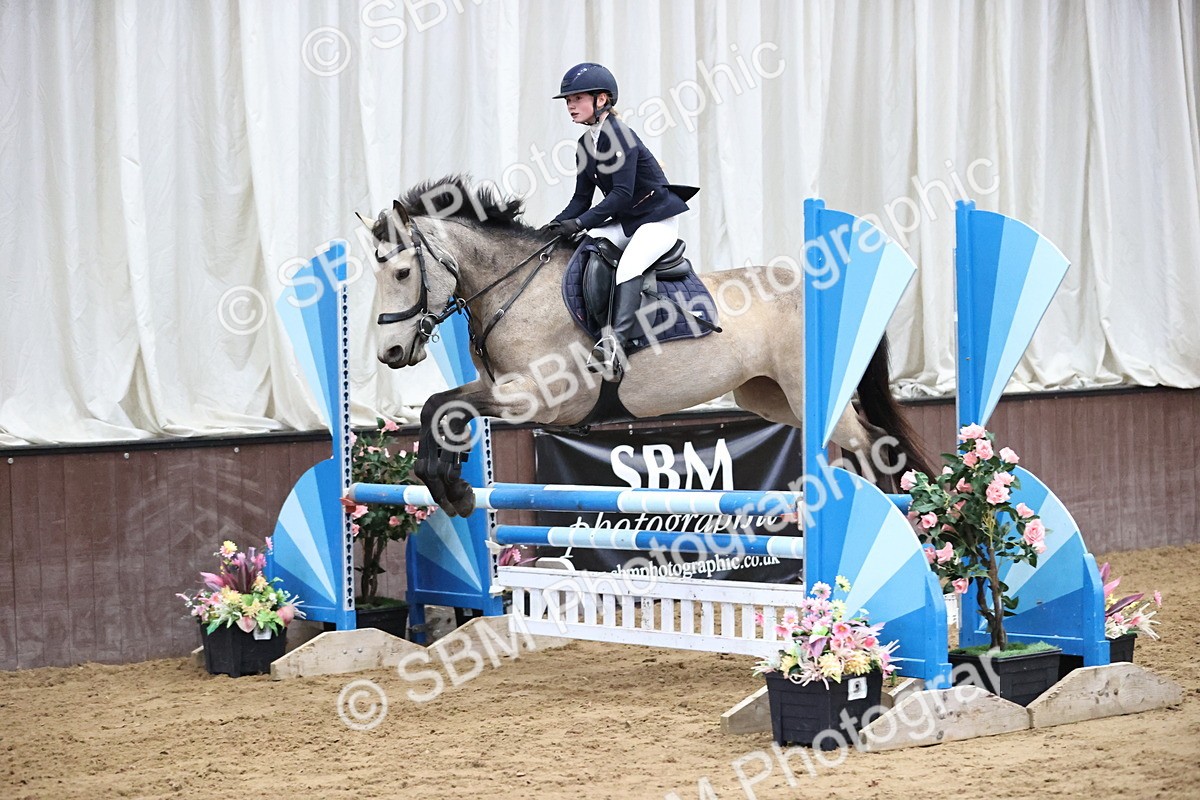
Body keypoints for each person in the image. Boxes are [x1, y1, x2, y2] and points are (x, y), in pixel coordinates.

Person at [542, 62, 696, 381]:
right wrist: (556, 225)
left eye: (577, 98)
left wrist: (581, 221)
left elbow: (622, 195)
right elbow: (580, 199)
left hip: (656, 221)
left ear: (601, 100)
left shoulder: (621, 136)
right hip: (626, 222)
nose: (570, 105)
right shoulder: (586, 144)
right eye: (568, 100)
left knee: (629, 266)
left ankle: (615, 344)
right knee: (586, 249)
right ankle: (592, 326)